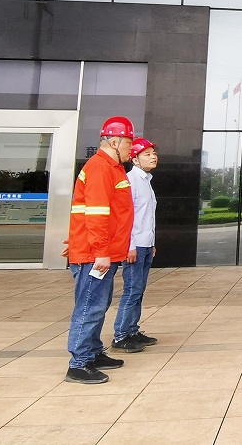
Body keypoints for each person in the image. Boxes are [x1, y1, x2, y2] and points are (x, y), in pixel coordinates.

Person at [64, 117, 135, 384]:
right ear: (114, 142)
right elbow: (96, 214)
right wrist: (100, 251)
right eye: (128, 143)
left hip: (100, 251)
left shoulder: (112, 168)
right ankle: (79, 363)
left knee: (98, 305)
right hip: (96, 255)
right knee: (89, 307)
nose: (131, 149)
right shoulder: (101, 168)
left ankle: (92, 353)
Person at [112, 137, 159, 353]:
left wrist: (151, 243)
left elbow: (146, 217)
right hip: (134, 246)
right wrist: (129, 245)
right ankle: (121, 335)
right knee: (131, 290)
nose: (153, 157)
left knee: (139, 290)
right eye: (147, 154)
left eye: (154, 153)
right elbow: (125, 217)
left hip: (145, 244)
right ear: (135, 159)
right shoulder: (130, 181)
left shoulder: (146, 181)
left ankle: (132, 330)